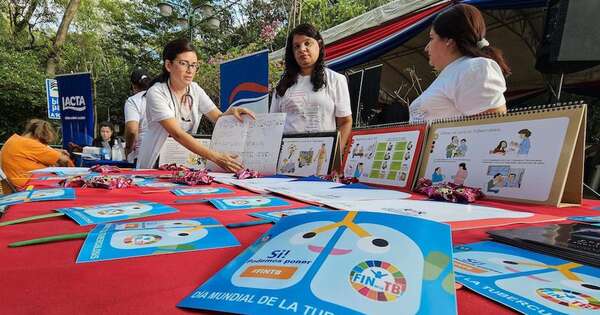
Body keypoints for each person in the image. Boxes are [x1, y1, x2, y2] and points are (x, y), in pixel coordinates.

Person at [136, 38, 254, 171]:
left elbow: (218, 118)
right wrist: (216, 157)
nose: (190, 70)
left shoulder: (195, 89)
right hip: (155, 163)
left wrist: (231, 112)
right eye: (184, 63)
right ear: (168, 65)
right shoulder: (156, 92)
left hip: (183, 163)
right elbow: (177, 133)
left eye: (193, 65)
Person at [409, 4, 510, 122]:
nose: (426, 48)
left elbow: (492, 128)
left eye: (432, 38)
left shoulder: (474, 69)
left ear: (448, 41)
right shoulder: (456, 71)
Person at [270, 23, 353, 152]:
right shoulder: (282, 87)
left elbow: (345, 122)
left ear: (319, 45)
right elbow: (273, 126)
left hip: (321, 160)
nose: (302, 49)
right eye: (296, 46)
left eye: (307, 43)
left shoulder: (336, 80)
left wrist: (334, 155)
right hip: (286, 161)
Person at [0, 119, 72, 189]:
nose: (43, 145)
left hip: (16, 182)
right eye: (43, 142)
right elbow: (64, 159)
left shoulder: (14, 140)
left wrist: (54, 150)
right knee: (71, 184)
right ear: (38, 136)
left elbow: (37, 151)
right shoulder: (29, 144)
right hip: (28, 185)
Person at [124, 68, 152, 162]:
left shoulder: (133, 100)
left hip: (143, 155)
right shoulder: (162, 97)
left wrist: (128, 149)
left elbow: (132, 130)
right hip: (166, 153)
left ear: (133, 85)